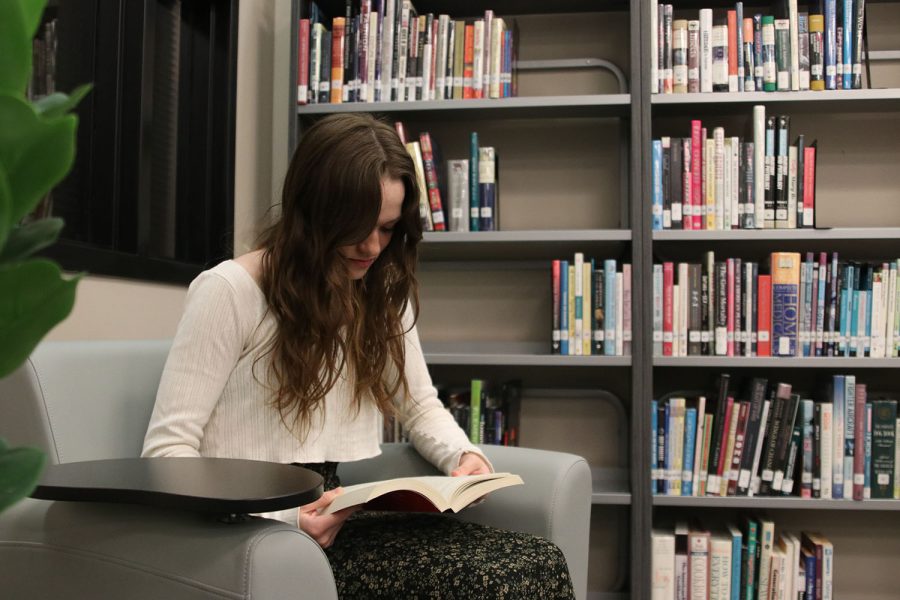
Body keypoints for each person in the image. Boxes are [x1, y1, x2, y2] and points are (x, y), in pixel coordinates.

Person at [142, 113, 575, 599]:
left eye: (388, 228)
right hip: (246, 525)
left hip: (333, 514)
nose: (371, 247)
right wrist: (285, 517)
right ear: (313, 214)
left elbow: (418, 403)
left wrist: (464, 455)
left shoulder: (378, 290)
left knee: (536, 561)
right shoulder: (230, 290)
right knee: (492, 580)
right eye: (355, 228)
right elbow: (165, 455)